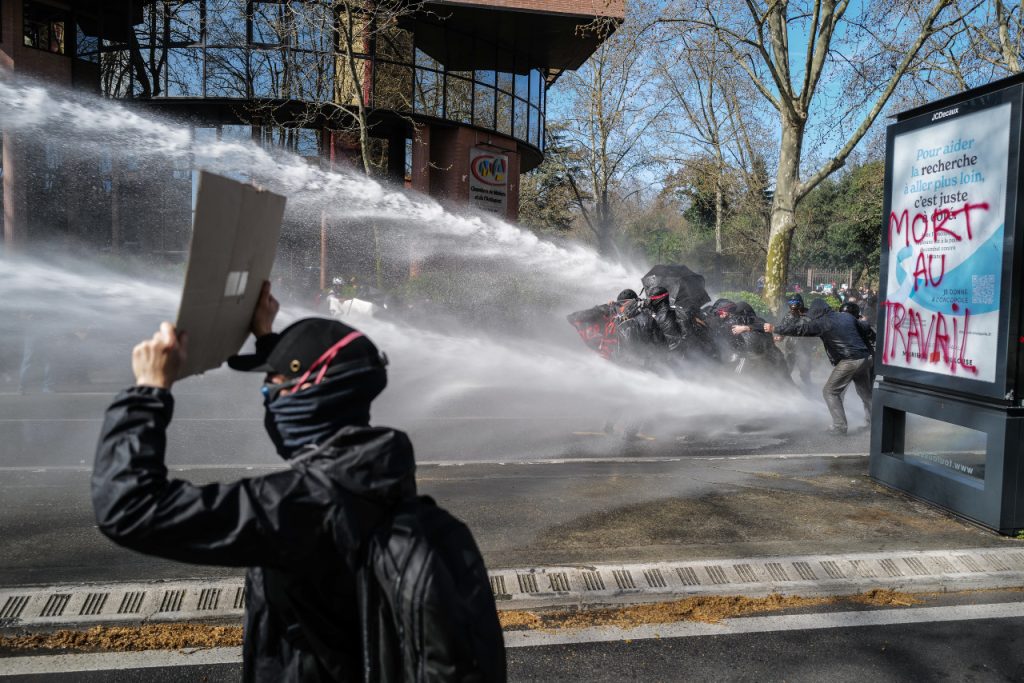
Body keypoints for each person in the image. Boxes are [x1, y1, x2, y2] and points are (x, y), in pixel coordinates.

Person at [92, 282, 506, 681]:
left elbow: (131, 508)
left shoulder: (300, 508)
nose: (267, 396)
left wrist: (149, 391)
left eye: (273, 385)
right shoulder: (380, 479)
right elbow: (317, 398)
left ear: (307, 395)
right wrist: (270, 342)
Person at [763, 298, 875, 435]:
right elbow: (865, 327)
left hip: (850, 360)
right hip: (866, 358)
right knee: (865, 393)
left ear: (817, 312)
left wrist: (775, 328)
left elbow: (801, 329)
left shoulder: (823, 322)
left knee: (830, 391)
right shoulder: (846, 316)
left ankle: (839, 427)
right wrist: (864, 321)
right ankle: (874, 424)